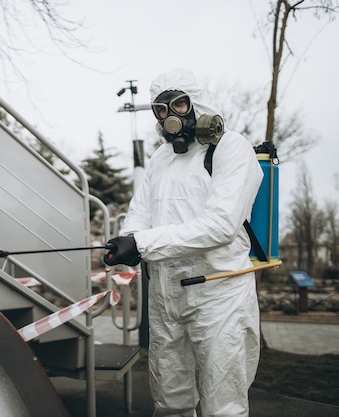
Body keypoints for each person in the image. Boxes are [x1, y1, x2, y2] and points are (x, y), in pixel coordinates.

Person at [104, 68, 263, 417]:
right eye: (161, 110)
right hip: (166, 296)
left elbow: (220, 226)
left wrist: (143, 244)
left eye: (178, 104)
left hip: (218, 294)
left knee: (223, 405)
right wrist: (128, 241)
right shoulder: (161, 158)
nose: (170, 116)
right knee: (169, 401)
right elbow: (139, 212)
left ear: (197, 103)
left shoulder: (230, 148)